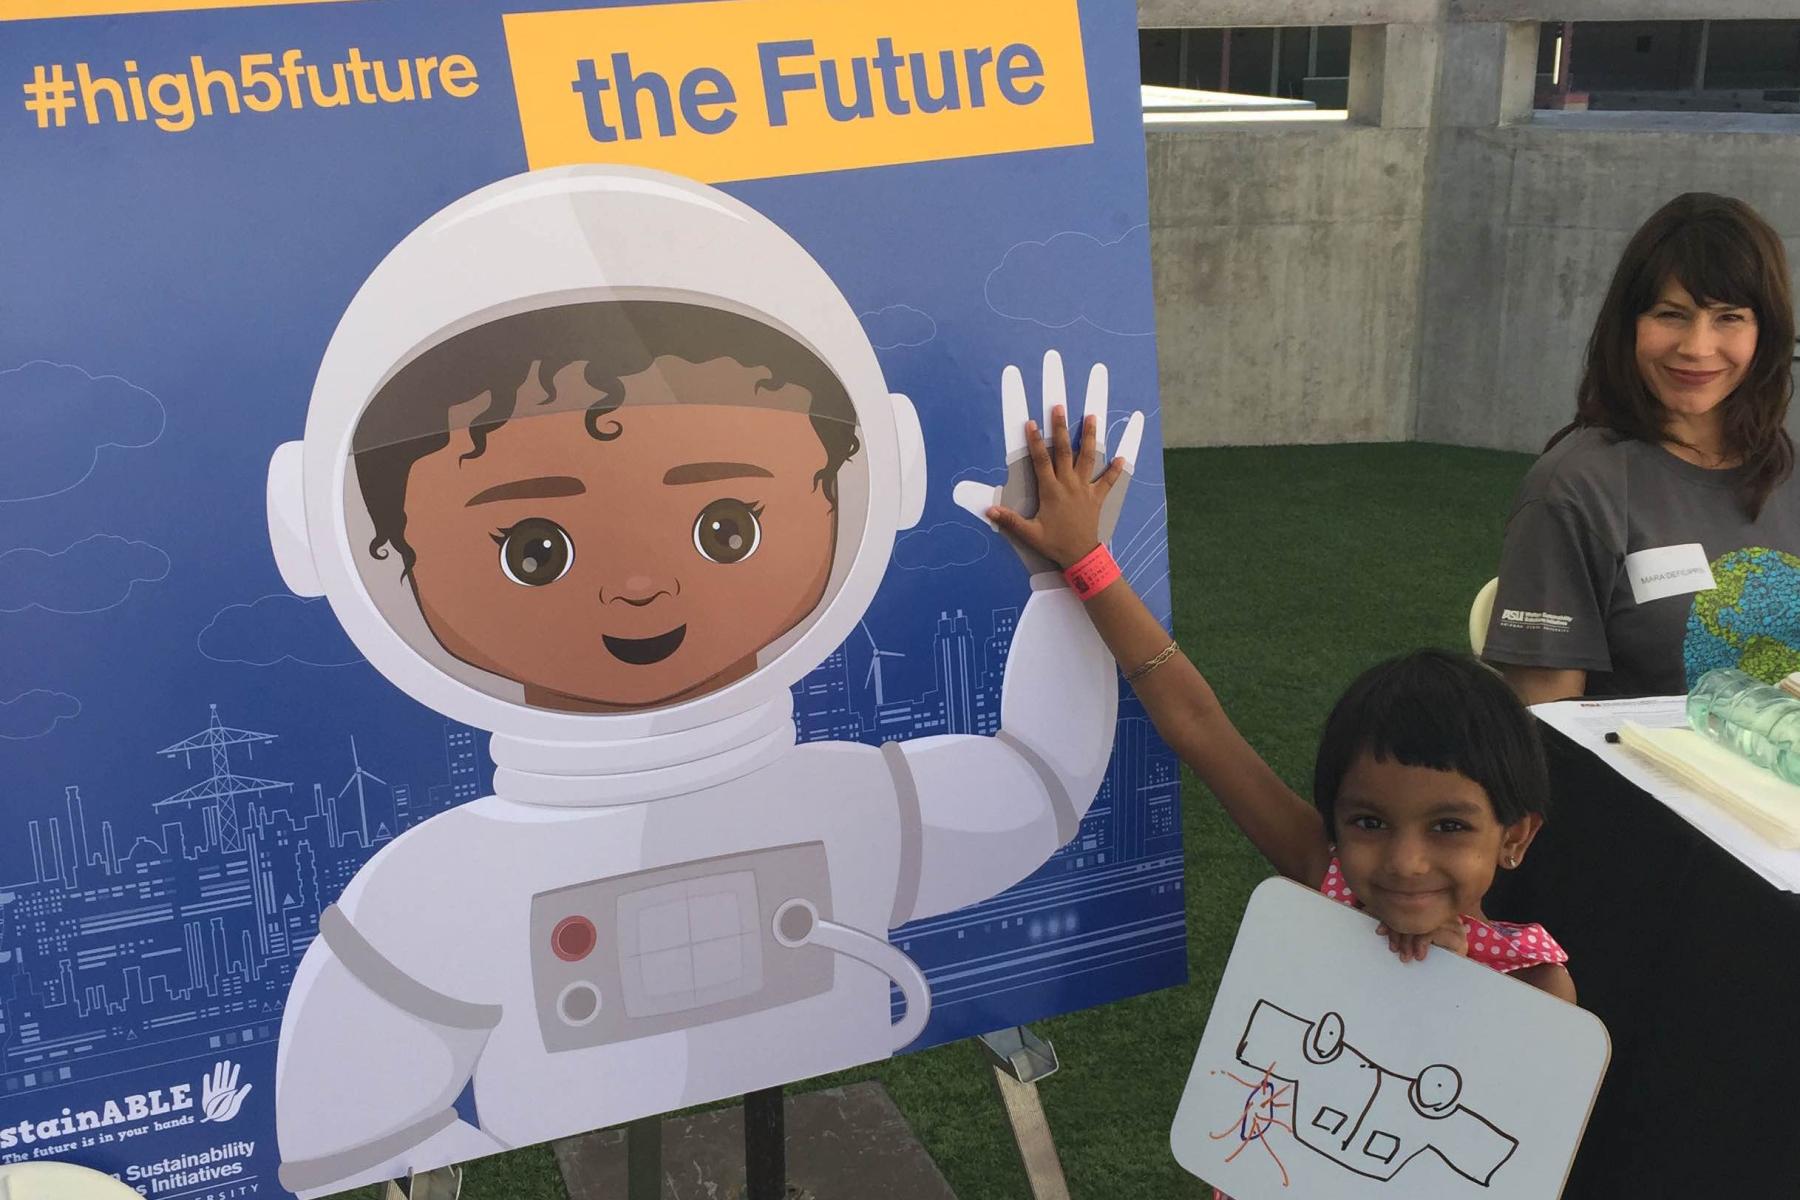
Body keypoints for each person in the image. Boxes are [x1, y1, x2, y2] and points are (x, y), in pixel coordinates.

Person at [984, 406, 1577, 1003]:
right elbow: (1198, 724)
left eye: (1449, 826)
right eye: (1368, 822)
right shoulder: (1330, 874)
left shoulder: (1537, 985)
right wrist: (1085, 558)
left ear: (1515, 838)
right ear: (1336, 825)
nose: (1406, 862)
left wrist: (1461, 997)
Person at [1481, 192, 1799, 704]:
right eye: (1671, 314)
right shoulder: (1575, 489)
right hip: (1637, 782)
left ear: (1766, 332)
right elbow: (1547, 732)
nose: (1697, 347)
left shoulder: (1789, 470)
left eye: (1729, 317)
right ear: (1629, 324)